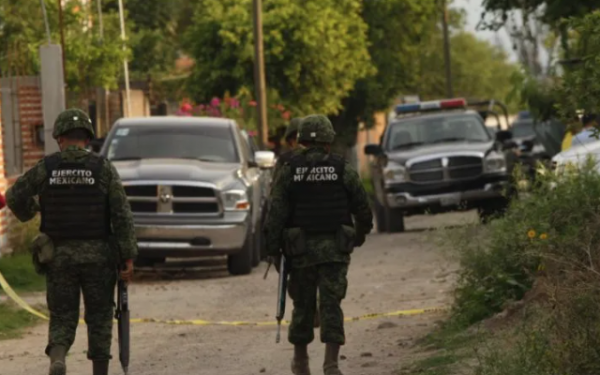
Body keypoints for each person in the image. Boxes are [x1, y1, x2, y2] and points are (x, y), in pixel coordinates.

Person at [5, 109, 137, 375]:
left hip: (58, 257)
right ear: (87, 139)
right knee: (99, 318)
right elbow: (121, 215)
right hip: (99, 257)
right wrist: (127, 256)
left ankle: (58, 358)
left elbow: (13, 196)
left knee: (62, 316)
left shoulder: (47, 167)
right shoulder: (103, 168)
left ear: (59, 139)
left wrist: (33, 209)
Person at [265, 115, 373, 375]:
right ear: (328, 140)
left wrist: (273, 250)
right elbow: (363, 209)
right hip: (335, 251)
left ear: (300, 140)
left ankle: (301, 363)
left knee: (302, 306)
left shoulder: (289, 168)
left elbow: (276, 212)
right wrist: (357, 237)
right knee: (331, 304)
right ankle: (331, 364)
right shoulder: (341, 167)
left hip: (299, 252)